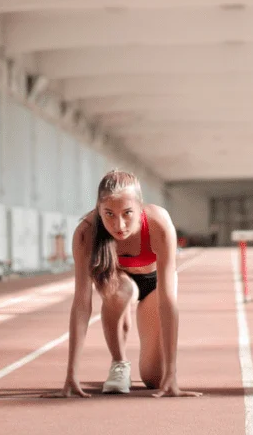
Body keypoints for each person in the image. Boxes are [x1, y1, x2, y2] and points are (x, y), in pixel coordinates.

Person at [46, 170, 202, 399]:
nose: (118, 224)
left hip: (154, 286)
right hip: (117, 283)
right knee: (124, 288)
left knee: (155, 380)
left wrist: (172, 373)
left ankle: (160, 371)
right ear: (98, 209)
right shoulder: (86, 233)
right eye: (108, 214)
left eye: (127, 213)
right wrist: (71, 375)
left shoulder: (159, 223)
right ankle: (119, 363)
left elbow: (168, 302)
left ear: (141, 208)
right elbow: (81, 303)